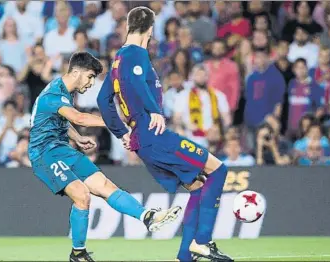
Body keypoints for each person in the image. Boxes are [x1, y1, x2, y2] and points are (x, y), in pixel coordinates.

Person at [97, 6, 232, 262]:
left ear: (128, 25)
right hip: (153, 133)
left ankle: (185, 256)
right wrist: (155, 110)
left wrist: (121, 132)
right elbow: (135, 83)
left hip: (141, 138)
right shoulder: (136, 53)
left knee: (197, 186)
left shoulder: (117, 59)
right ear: (151, 28)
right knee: (218, 170)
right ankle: (203, 242)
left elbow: (104, 100)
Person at [28, 52, 181, 262]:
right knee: (82, 195)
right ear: (76, 72)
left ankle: (147, 216)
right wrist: (116, 123)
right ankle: (78, 254)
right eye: (90, 76)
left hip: (61, 148)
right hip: (44, 153)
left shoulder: (62, 91)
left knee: (105, 186)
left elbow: (58, 120)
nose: (92, 82)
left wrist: (77, 138)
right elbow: (80, 117)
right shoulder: (54, 94)